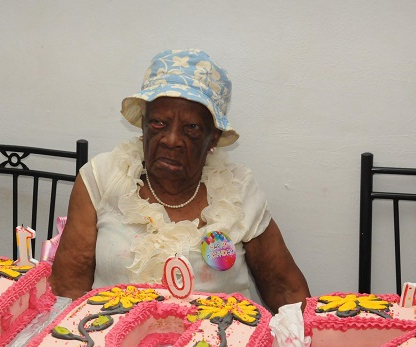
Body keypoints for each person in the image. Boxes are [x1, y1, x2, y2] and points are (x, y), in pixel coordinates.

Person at [51, 49, 310, 313]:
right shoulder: (100, 178)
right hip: (108, 345)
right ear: (142, 124)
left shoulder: (238, 190)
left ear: (214, 137)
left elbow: (286, 290)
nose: (171, 140)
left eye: (191, 128)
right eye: (158, 123)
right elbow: (67, 288)